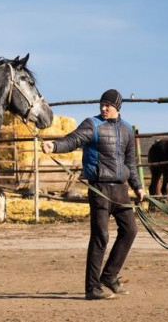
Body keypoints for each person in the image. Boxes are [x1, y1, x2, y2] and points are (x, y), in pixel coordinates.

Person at [41, 89, 145, 300]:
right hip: (99, 189)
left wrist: (138, 186)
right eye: (102, 104)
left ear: (118, 107)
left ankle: (109, 276)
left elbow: (130, 163)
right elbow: (73, 140)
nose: (103, 108)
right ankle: (92, 288)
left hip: (120, 189)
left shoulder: (126, 129)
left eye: (108, 105)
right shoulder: (92, 124)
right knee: (101, 236)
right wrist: (54, 145)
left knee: (130, 230)